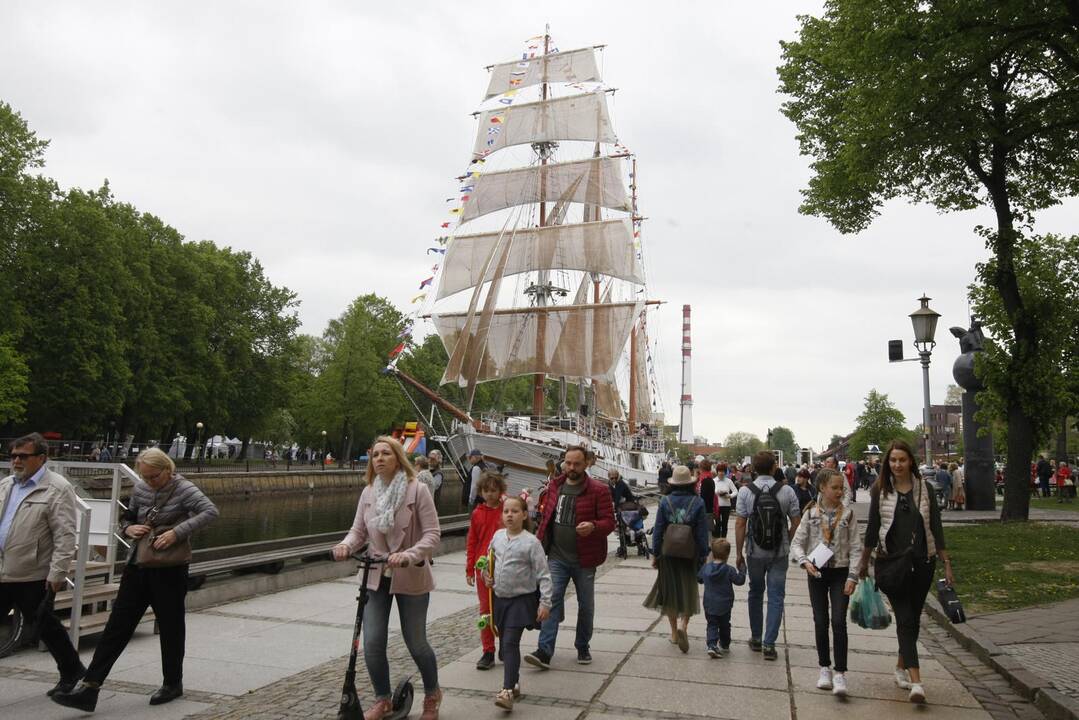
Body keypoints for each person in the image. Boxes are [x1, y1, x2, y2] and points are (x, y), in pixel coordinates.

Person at [54, 447, 219, 712]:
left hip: (170, 569)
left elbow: (210, 512)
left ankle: (172, 683)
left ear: (167, 470)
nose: (149, 481)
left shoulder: (184, 489)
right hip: (138, 564)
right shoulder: (141, 488)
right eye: (145, 476)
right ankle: (90, 687)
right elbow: (127, 517)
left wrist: (176, 533)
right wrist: (128, 528)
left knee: (171, 627)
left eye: (154, 476)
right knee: (117, 626)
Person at [331, 436, 442, 720]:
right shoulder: (369, 492)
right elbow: (358, 532)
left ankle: (432, 694)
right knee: (372, 642)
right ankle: (383, 700)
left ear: (398, 458)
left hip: (410, 573)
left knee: (416, 641)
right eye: (375, 454)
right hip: (376, 574)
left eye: (386, 454)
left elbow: (432, 534)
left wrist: (410, 554)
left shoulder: (417, 490)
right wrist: (346, 545)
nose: (379, 459)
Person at [857, 439, 954, 705]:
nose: (897, 464)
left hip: (923, 562)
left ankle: (900, 667)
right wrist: (863, 563)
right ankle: (917, 682)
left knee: (911, 620)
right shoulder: (881, 491)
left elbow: (935, 525)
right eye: (893, 460)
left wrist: (946, 561)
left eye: (902, 459)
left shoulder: (925, 490)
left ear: (910, 460)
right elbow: (872, 528)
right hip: (892, 565)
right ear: (887, 463)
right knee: (905, 619)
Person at [1, 434, 84, 698]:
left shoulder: (57, 488)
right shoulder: (6, 485)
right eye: (13, 455)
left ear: (41, 458)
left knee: (45, 625)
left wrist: (58, 572)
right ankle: (73, 670)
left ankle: (72, 671)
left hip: (32, 571)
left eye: (23, 456)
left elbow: (65, 534)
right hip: (2, 567)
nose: (16, 460)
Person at [525, 445, 615, 669]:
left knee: (586, 605)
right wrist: (536, 546)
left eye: (576, 463)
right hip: (557, 556)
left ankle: (582, 645)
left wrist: (593, 526)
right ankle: (544, 651)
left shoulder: (599, 490)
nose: (571, 468)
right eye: (568, 463)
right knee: (551, 601)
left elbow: (609, 522)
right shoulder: (555, 485)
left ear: (586, 464)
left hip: (585, 559)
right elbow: (546, 518)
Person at [790, 469, 862, 697]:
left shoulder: (848, 515)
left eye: (842, 487)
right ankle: (824, 668)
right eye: (835, 487)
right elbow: (797, 543)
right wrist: (805, 562)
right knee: (820, 621)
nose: (840, 491)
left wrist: (853, 576)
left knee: (839, 621)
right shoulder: (810, 514)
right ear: (822, 488)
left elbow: (856, 548)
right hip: (817, 573)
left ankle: (840, 672)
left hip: (840, 572)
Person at [483, 496, 552, 712]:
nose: (509, 515)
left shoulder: (531, 542)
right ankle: (514, 681)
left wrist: (545, 603)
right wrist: (487, 575)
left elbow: (544, 575)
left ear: (524, 515)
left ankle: (506, 692)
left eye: (514, 511)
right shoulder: (497, 537)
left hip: (521, 601)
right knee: (504, 646)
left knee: (511, 643)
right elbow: (488, 561)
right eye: (506, 511)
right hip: (499, 600)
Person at [735, 450, 801, 661]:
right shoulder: (787, 491)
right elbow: (797, 522)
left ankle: (755, 637)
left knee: (755, 592)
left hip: (754, 551)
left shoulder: (746, 492)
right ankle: (769, 644)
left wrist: (739, 552)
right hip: (778, 553)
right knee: (776, 596)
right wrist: (787, 541)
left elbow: (740, 523)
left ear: (753, 469)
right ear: (774, 468)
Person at [644, 465, 709, 653]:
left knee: (671, 592)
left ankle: (673, 633)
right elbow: (702, 533)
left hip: (669, 552)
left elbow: (657, 530)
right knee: (689, 590)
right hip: (690, 552)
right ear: (690, 483)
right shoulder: (698, 503)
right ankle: (683, 626)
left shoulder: (665, 501)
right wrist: (703, 554)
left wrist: (656, 554)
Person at [466, 471, 506, 670]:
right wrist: (469, 568)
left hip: (504, 565)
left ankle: (506, 644)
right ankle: (487, 650)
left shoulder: (506, 511)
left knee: (505, 608)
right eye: (486, 491)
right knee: (485, 611)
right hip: (483, 567)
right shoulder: (477, 513)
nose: (490, 494)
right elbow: (472, 541)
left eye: (493, 490)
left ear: (500, 491)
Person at [697, 538, 746, 658]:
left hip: (709, 603)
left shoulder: (706, 568)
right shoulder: (729, 570)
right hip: (725, 604)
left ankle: (712, 644)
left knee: (712, 624)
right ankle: (724, 643)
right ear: (728, 555)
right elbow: (740, 581)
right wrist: (743, 569)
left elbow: (699, 579)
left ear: (712, 553)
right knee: (725, 625)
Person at [713, 465, 738, 539]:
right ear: (717, 472)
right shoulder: (713, 481)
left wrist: (729, 496)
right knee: (717, 523)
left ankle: (724, 539)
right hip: (717, 505)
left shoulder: (728, 481)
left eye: (723, 471)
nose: (721, 473)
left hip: (726, 505)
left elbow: (736, 491)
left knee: (725, 523)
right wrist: (717, 493)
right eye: (720, 471)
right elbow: (711, 492)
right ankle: (717, 540)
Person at [696, 459, 716, 534]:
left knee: (705, 536)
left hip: (704, 511)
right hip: (709, 510)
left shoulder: (703, 480)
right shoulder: (710, 479)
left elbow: (702, 497)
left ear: (701, 468)